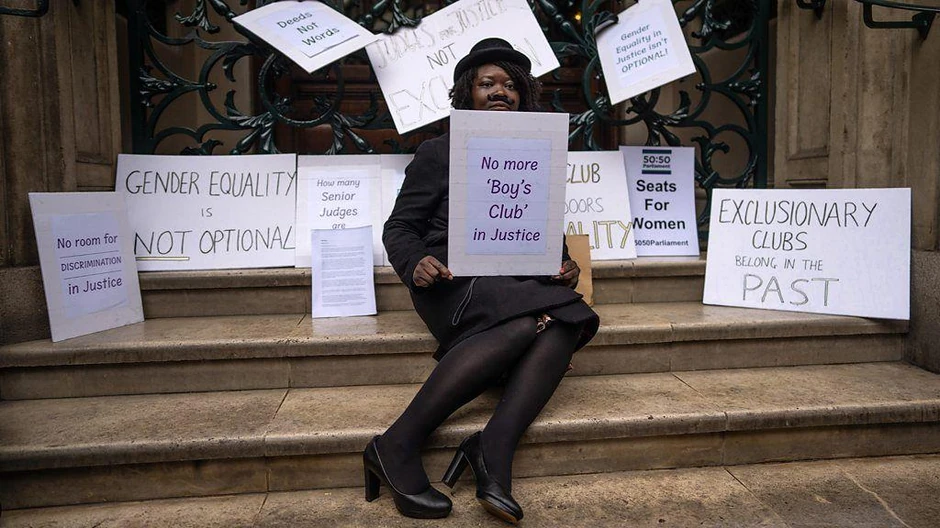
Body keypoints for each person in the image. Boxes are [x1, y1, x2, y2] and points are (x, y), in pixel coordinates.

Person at [363, 38, 599, 524]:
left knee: (567, 316)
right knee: (527, 322)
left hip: (513, 280)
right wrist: (416, 263)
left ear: (523, 95)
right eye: (487, 83)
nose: (500, 92)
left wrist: (562, 264)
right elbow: (399, 227)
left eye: (510, 85)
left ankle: (493, 446)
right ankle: (398, 443)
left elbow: (539, 228)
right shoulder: (439, 152)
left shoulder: (534, 154)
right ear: (467, 93)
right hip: (453, 280)